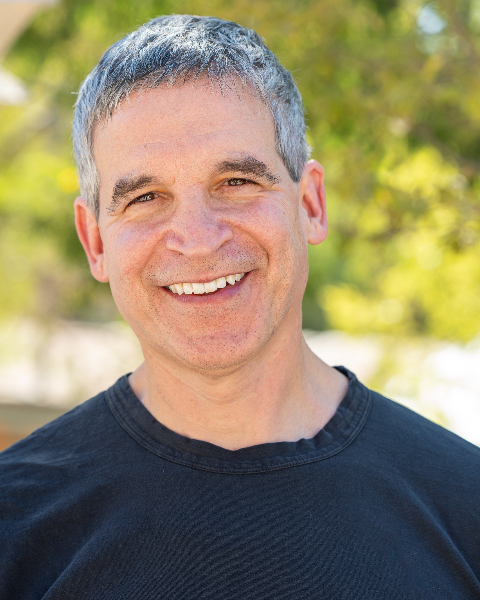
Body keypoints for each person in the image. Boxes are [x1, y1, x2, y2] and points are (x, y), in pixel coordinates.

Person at [1, 14, 479, 600]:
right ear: (95, 240)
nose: (199, 240)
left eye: (236, 182)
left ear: (310, 204)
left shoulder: (466, 506)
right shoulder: (13, 524)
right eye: (146, 197)